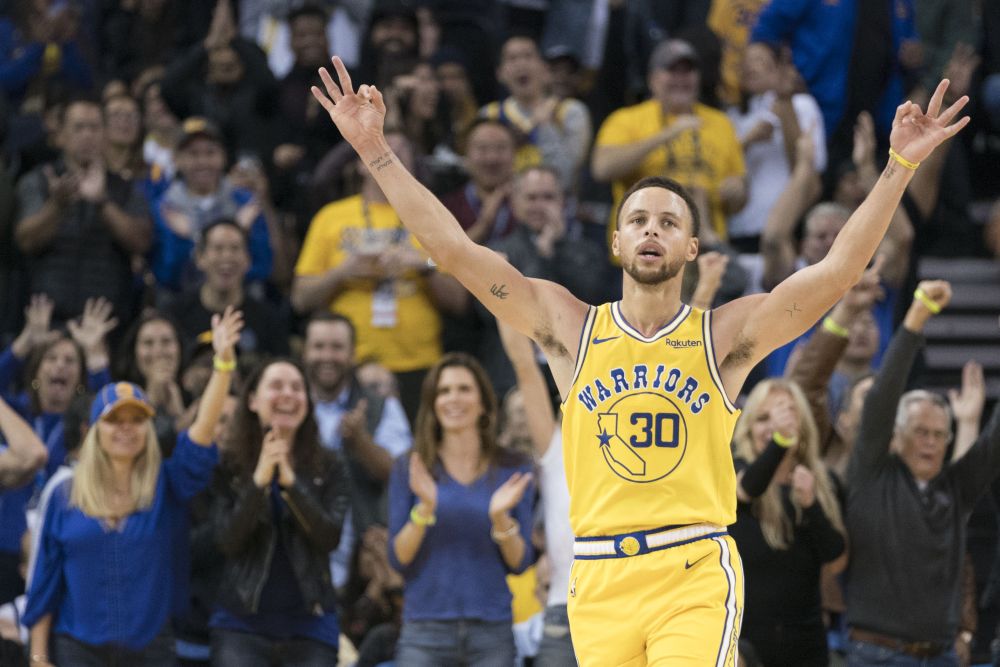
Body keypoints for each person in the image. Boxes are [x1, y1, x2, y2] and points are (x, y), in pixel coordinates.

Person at [312, 57, 968, 665]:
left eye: (669, 221)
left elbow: (836, 271)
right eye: (639, 219)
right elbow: (453, 251)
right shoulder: (569, 326)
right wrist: (374, 150)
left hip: (690, 566)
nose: (652, 228)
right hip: (596, 574)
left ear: (690, 248)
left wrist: (897, 169)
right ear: (618, 240)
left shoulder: (722, 335)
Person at [23, 307, 243, 666]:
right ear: (93, 432)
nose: (126, 428)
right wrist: (37, 656)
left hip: (149, 650)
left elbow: (202, 433)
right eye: (114, 420)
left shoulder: (165, 485)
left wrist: (223, 366)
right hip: (77, 648)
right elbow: (44, 581)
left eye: (137, 419)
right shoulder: (65, 493)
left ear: (148, 431)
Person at [845, 282, 1000, 666]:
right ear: (895, 438)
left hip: (942, 656)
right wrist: (917, 317)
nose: (930, 443)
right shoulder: (871, 474)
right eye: (920, 432)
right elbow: (883, 397)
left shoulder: (955, 488)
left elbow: (994, 443)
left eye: (938, 435)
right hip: (876, 654)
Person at [387, 353, 535, 665]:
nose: (453, 398)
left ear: (483, 401)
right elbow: (398, 558)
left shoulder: (514, 467)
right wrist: (425, 509)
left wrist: (499, 518)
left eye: (464, 389)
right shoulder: (411, 467)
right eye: (444, 391)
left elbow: (520, 562)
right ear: (432, 403)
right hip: (424, 628)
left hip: (491, 629)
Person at [207, 357, 350, 666]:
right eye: (276, 386)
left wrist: (290, 482)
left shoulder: (330, 465)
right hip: (240, 625)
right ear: (252, 401)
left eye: (297, 388)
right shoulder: (228, 466)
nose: (288, 394)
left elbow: (329, 537)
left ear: (307, 403)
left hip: (311, 625)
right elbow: (227, 541)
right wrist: (258, 482)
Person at [730, 379, 846, 666]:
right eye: (763, 418)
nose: (772, 427)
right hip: (745, 642)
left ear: (802, 424)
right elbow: (748, 490)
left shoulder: (822, 481)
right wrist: (781, 441)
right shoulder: (734, 469)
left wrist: (811, 505)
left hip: (806, 643)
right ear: (748, 427)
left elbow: (836, 557)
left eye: (785, 416)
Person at [301, 312, 412, 587]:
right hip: (299, 546)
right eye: (319, 346)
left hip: (362, 556)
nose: (327, 355)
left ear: (352, 354)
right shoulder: (289, 402)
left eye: (337, 347)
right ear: (304, 352)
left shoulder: (382, 406)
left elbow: (401, 474)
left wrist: (360, 442)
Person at [498, 320, 576, 666]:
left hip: (627, 609)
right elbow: (524, 364)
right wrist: (498, 291)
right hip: (563, 608)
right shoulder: (556, 447)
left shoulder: (641, 453)